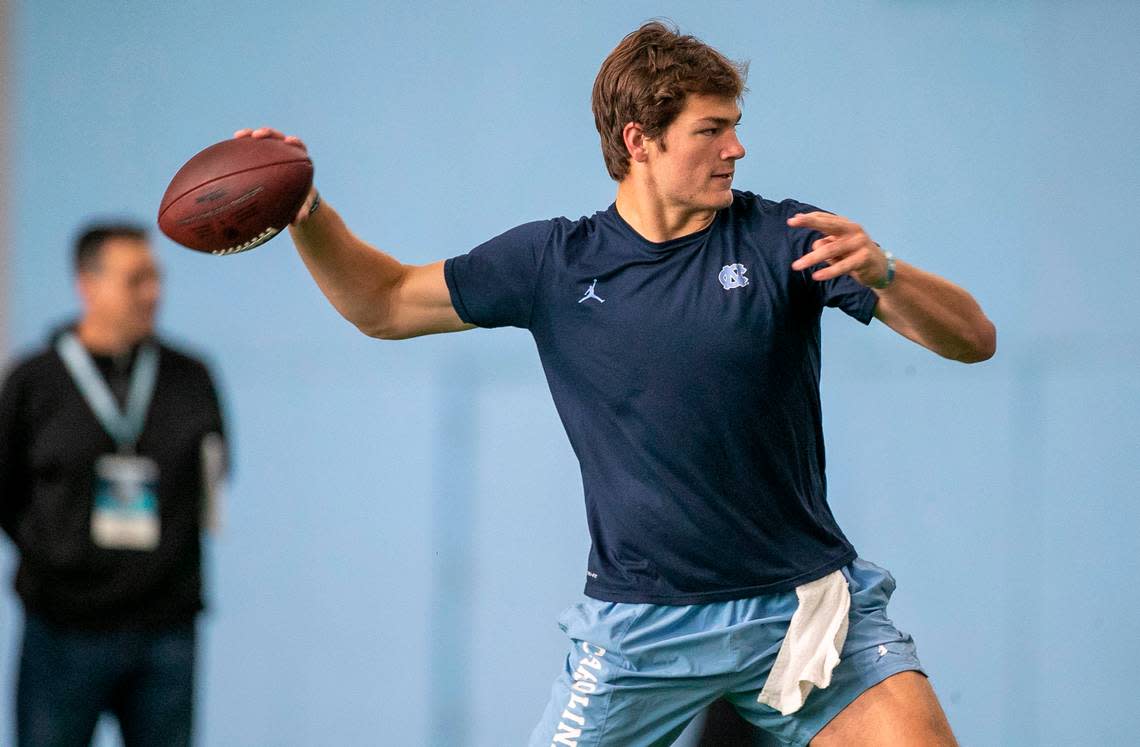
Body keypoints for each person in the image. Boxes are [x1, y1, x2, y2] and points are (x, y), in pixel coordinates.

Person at [240, 20, 994, 746]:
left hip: (803, 608)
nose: (737, 147)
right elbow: (385, 301)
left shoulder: (786, 239)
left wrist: (887, 273)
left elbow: (974, 340)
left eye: (733, 124)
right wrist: (305, 214)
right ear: (639, 139)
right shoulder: (554, 264)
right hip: (640, 630)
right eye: (711, 129)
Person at [0, 223, 228, 747]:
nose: (154, 293)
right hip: (61, 628)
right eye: (136, 279)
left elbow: (213, 481)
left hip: (165, 631)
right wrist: (57, 563)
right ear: (87, 285)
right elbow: (7, 494)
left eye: (157, 278)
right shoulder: (35, 383)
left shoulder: (192, 378)